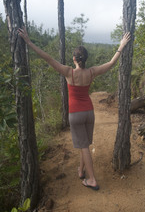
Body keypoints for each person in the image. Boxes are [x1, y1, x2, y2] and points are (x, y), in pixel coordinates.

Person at [18, 27, 130, 191]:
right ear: (85, 59)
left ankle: (92, 179)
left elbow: (47, 57)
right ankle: (81, 170)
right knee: (85, 143)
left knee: (83, 146)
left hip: (75, 114)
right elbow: (111, 63)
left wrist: (28, 42)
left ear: (74, 58)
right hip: (89, 113)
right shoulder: (91, 72)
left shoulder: (68, 72)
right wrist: (121, 45)